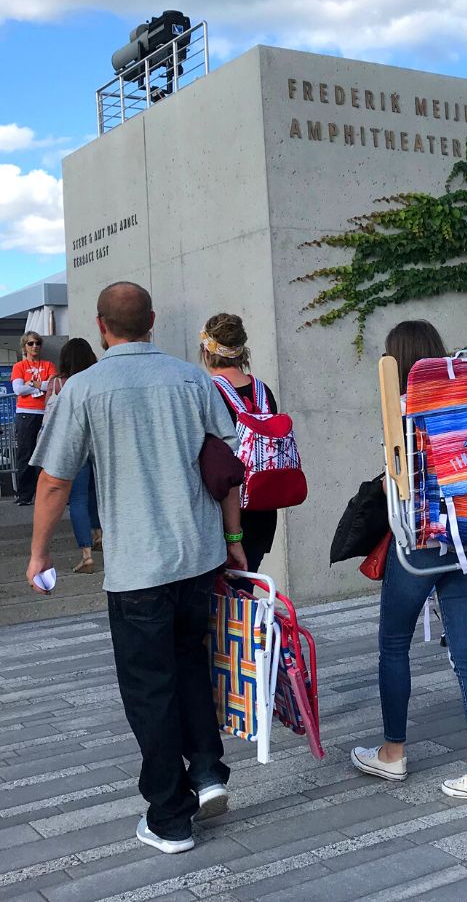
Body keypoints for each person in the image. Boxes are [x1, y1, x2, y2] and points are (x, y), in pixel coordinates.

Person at [26, 281, 247, 855]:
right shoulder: (193, 378)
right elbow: (227, 466)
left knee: (150, 688)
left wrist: (39, 554)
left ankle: (170, 817)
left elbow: (54, 481)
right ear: (151, 321)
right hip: (198, 556)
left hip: (138, 568)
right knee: (191, 664)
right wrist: (234, 539)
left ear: (102, 326)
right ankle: (207, 772)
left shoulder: (84, 389)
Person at [351, 320, 467, 808]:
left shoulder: (405, 407)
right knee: (466, 651)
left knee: (394, 643)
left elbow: (402, 481)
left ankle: (393, 751)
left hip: (423, 540)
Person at [200, 313, 278, 576]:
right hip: (263, 507)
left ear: (207, 351)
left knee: (220, 605)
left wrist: (232, 536)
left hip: (223, 515)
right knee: (244, 593)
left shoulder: (207, 391)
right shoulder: (262, 391)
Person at [43, 338, 103, 573]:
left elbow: (48, 419)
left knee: (77, 499)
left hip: (73, 445)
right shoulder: (97, 380)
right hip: (96, 444)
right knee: (94, 495)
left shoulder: (58, 383)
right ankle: (99, 536)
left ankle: (86, 555)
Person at [11, 331, 57, 505]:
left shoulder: (48, 365)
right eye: (30, 343)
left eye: (37, 343)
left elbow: (52, 385)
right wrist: (38, 386)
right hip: (25, 413)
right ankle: (25, 495)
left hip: (45, 413)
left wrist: (30, 383)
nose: (35, 346)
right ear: (24, 347)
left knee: (48, 454)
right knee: (26, 454)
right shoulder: (19, 366)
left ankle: (48, 494)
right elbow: (18, 390)